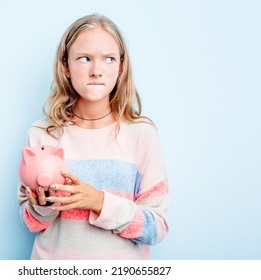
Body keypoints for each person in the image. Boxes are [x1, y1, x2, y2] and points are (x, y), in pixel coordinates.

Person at [18, 13, 169, 260]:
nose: (96, 71)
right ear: (66, 66)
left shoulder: (141, 135)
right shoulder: (41, 135)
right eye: (84, 58)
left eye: (108, 59)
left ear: (120, 67)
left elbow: (157, 228)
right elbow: (30, 222)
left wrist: (98, 201)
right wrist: (42, 207)